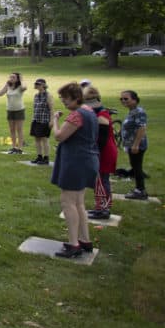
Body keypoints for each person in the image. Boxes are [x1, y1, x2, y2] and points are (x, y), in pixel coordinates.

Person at [51, 82, 99, 259]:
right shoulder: (89, 111)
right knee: (79, 203)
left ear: (76, 98)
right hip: (88, 160)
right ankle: (85, 240)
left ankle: (73, 245)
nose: (63, 101)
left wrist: (55, 120)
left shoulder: (77, 115)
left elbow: (59, 136)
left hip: (76, 162)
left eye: (66, 98)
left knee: (67, 202)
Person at [83, 86, 118, 218]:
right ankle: (99, 207)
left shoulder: (102, 115)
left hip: (104, 151)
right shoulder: (99, 113)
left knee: (103, 180)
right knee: (99, 180)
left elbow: (102, 139)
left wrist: (94, 152)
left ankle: (104, 210)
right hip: (100, 150)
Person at [120, 90, 149, 200]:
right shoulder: (133, 111)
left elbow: (142, 128)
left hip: (137, 146)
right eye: (121, 99)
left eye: (126, 98)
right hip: (131, 145)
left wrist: (136, 145)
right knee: (135, 167)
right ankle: (139, 189)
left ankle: (140, 191)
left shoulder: (139, 112)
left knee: (137, 167)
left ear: (134, 99)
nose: (123, 101)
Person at [0, 72, 27, 154]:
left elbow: (25, 87)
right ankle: (13, 147)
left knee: (19, 129)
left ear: (17, 79)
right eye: (10, 77)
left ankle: (20, 148)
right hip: (10, 110)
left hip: (19, 110)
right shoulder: (8, 86)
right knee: (12, 129)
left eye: (13, 77)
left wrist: (21, 80)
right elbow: (0, 94)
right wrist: (6, 85)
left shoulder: (20, 87)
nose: (11, 78)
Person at [28, 78, 53, 165]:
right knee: (37, 139)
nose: (36, 85)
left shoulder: (48, 95)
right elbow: (35, 109)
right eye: (36, 84)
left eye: (38, 84)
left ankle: (46, 158)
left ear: (44, 85)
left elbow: (51, 109)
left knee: (44, 139)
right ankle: (39, 156)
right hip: (36, 120)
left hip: (44, 120)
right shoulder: (36, 95)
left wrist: (51, 121)